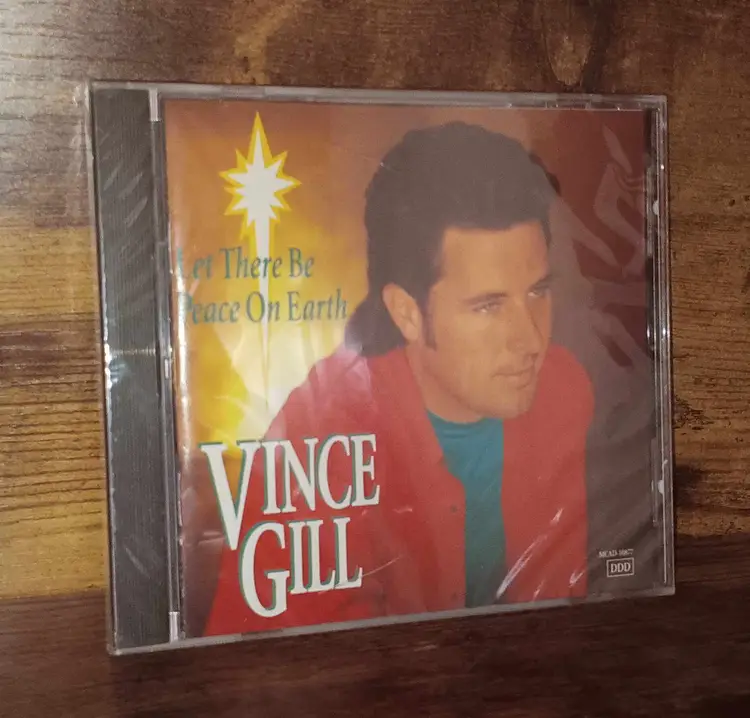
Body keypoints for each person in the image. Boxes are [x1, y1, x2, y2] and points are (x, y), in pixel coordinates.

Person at [201, 121, 594, 637]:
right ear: (407, 313)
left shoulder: (564, 390)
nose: (531, 340)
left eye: (537, 292)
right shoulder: (315, 445)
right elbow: (277, 668)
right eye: (488, 306)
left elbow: (563, 617)